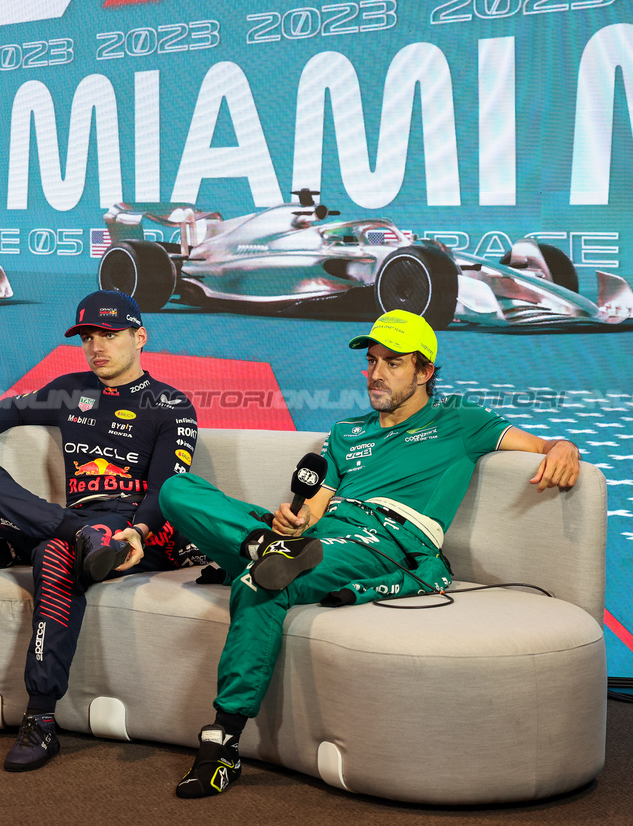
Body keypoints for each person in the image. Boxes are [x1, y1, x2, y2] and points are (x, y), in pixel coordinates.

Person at [158, 309, 580, 798]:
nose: (375, 374)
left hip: (384, 541)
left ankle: (221, 745)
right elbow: (313, 510)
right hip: (319, 538)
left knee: (263, 579)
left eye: (392, 363)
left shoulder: (462, 421)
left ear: (424, 373)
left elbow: (541, 443)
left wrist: (563, 445)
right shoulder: (345, 432)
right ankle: (261, 544)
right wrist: (293, 522)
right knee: (178, 488)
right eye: (372, 361)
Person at [0, 289, 206, 772]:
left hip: (128, 526)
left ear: (140, 338)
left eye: (109, 335)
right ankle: (68, 535)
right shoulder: (71, 389)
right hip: (79, 524)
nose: (97, 347)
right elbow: (14, 407)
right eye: (88, 337)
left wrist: (139, 532)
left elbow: (168, 490)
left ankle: (41, 718)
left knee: (51, 554)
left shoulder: (171, 404)